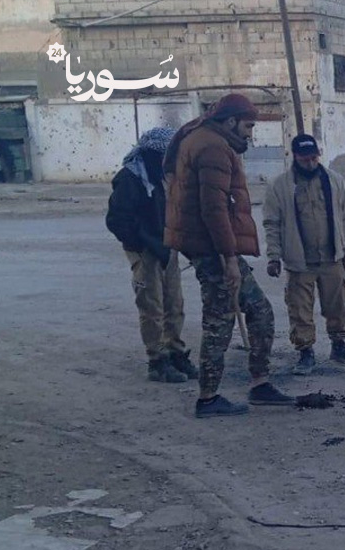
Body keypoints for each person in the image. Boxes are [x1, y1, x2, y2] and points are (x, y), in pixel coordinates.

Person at [162, 93, 295, 417]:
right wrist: (230, 258)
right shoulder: (213, 147)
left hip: (208, 248)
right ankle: (209, 398)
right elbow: (214, 209)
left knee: (255, 313)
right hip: (214, 251)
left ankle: (258, 384)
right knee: (221, 322)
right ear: (231, 121)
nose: (250, 134)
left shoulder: (202, 138)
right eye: (248, 126)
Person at [105, 126, 197, 384]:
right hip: (145, 252)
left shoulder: (164, 178)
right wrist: (141, 244)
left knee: (175, 306)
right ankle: (157, 361)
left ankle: (175, 352)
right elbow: (117, 220)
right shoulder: (130, 178)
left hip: (167, 248)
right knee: (152, 308)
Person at [263, 133, 345, 375]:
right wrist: (274, 256)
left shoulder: (335, 181)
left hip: (332, 257)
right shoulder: (280, 186)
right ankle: (305, 351)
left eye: (314, 158)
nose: (310, 163)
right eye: (305, 159)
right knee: (300, 309)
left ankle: (339, 345)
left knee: (337, 305)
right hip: (299, 260)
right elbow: (272, 223)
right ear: (295, 157)